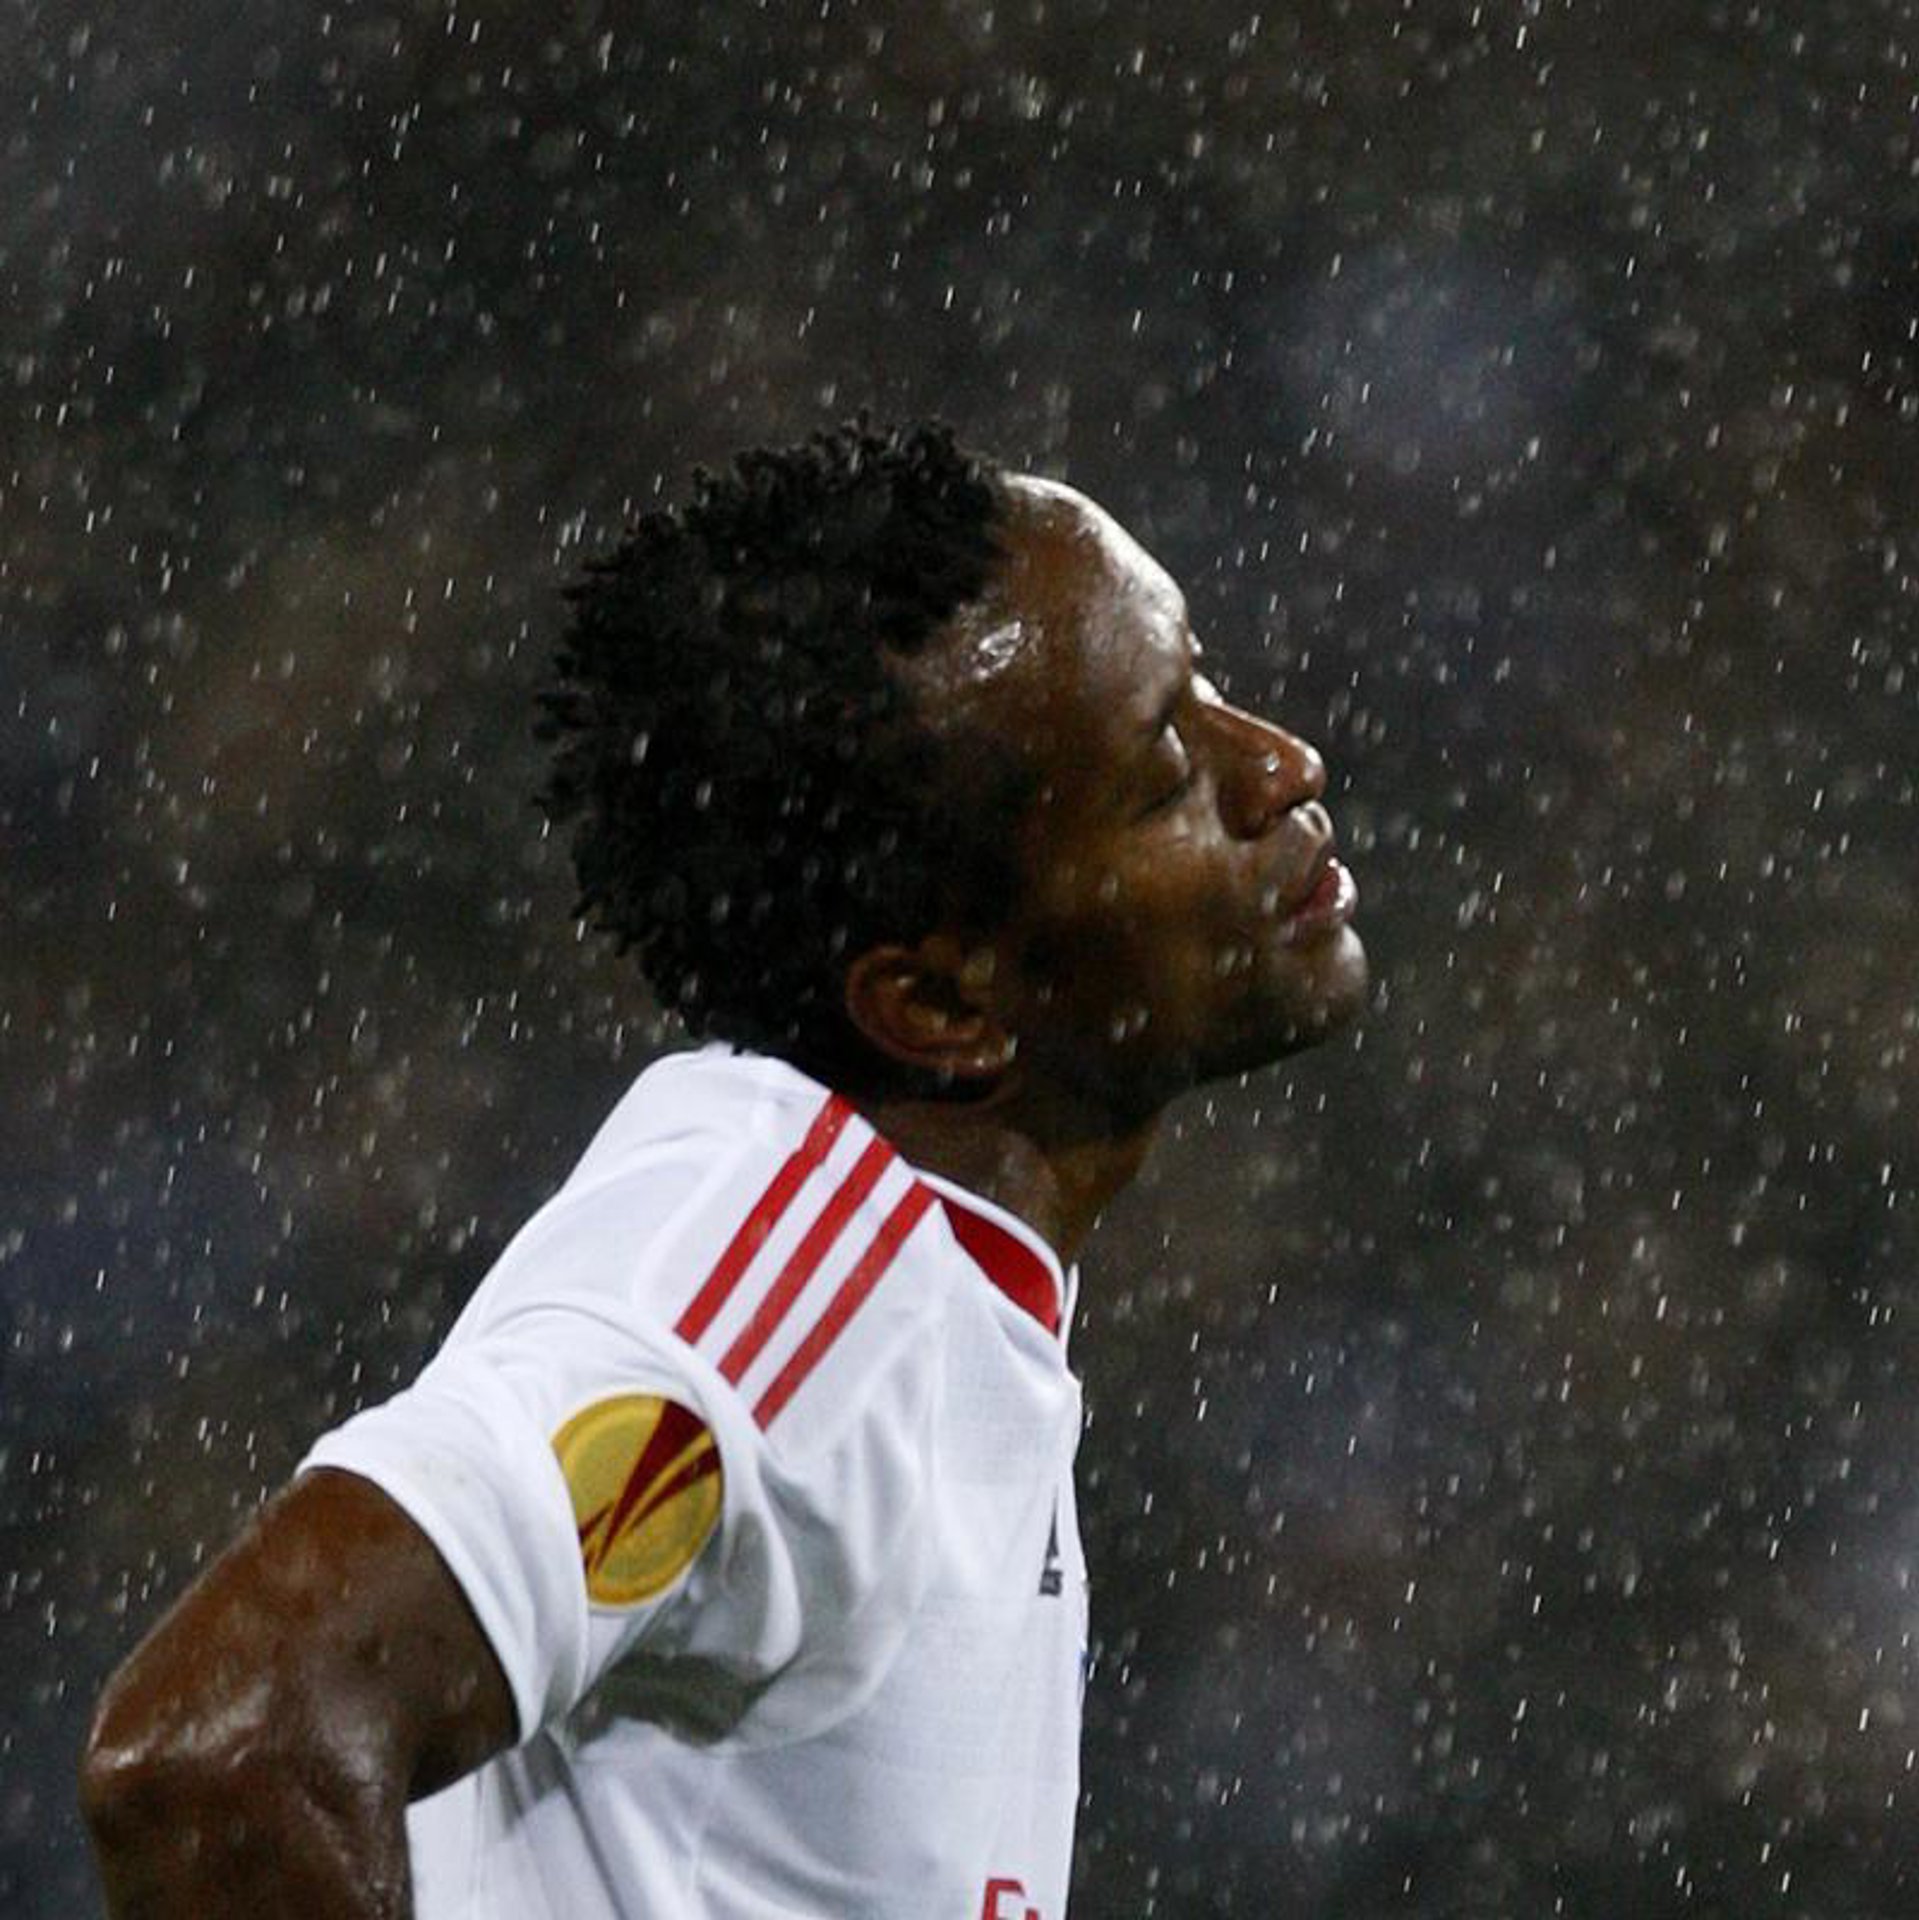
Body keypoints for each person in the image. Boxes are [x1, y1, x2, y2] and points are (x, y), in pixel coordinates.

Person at [79, 419, 1367, 1919]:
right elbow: (218, 1753)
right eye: (1164, 774)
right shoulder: (776, 1291)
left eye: (1207, 685)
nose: (1279, 764)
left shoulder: (929, 1297)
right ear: (938, 1004)